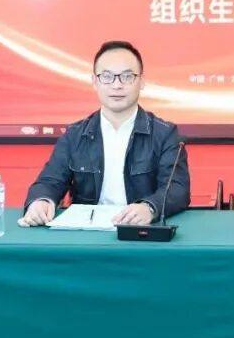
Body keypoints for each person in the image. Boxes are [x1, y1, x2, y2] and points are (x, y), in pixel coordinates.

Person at [19, 40, 190, 227]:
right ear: (95, 81)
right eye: (107, 76)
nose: (116, 85)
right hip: (87, 234)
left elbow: (177, 189)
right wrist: (42, 201)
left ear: (141, 81)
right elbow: (49, 181)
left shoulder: (165, 134)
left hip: (139, 232)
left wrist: (149, 208)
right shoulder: (74, 135)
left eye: (127, 76)